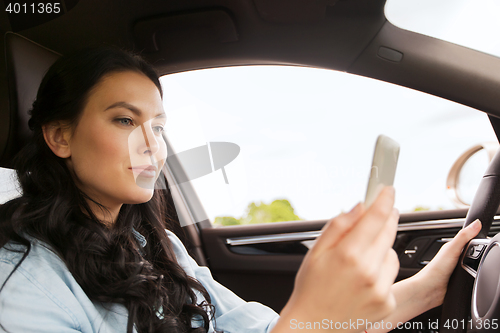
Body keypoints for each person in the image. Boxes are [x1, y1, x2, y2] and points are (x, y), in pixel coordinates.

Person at [0, 47, 481, 333]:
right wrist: (310, 314)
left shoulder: (155, 246)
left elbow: (258, 329)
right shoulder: (21, 283)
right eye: (125, 120)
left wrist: (426, 288)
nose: (152, 146)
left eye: (160, 126)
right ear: (59, 136)